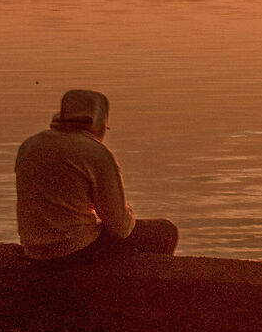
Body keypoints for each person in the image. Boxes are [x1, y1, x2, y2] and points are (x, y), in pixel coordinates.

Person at [15, 89, 179, 264]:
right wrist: (128, 211)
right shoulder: (95, 153)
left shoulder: (30, 145)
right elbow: (120, 228)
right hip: (74, 250)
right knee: (165, 231)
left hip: (33, 250)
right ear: (99, 124)